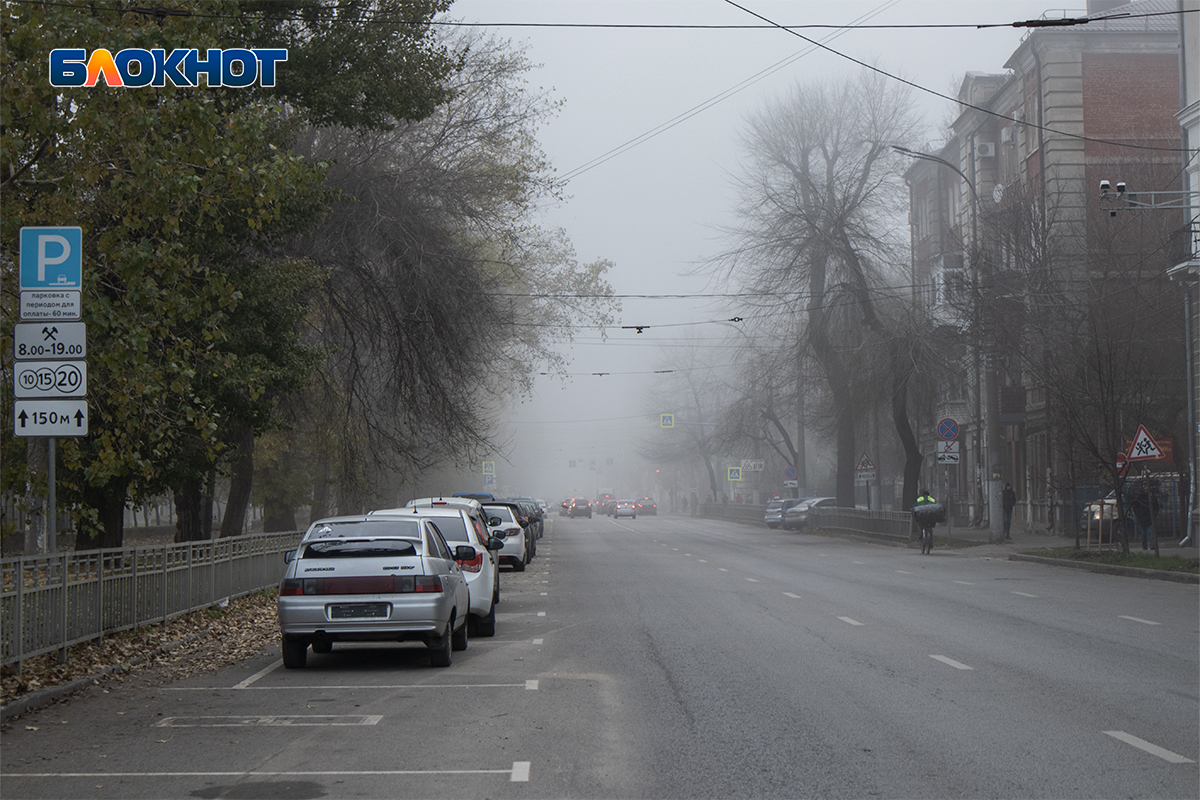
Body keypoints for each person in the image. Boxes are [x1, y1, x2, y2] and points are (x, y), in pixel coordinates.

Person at [1129, 481, 1160, 551]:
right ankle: (1145, 546)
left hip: (1149, 518)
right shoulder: (1140, 497)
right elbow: (1135, 507)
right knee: (1143, 534)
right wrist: (1139, 514)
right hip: (1142, 517)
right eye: (1145, 487)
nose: (1146, 489)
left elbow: (1156, 507)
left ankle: (1152, 546)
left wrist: (1154, 514)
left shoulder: (1152, 497)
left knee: (1150, 532)